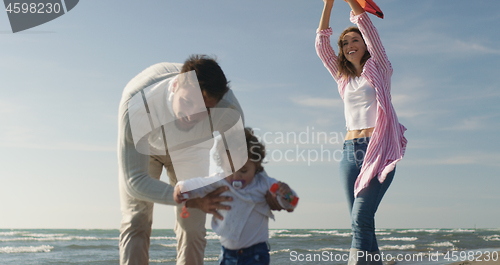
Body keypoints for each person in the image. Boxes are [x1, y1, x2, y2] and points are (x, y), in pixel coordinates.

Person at [118, 55, 247, 265]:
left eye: (205, 110)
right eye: (187, 102)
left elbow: (236, 164)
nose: (191, 115)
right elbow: (135, 182)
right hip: (147, 150)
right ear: (175, 85)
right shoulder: (137, 104)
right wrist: (191, 198)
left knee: (193, 227)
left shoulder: (229, 111)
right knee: (136, 220)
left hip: (191, 149)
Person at [315, 0, 407, 264]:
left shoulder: (380, 68)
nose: (349, 45)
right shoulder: (343, 78)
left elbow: (368, 27)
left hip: (378, 150)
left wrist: (350, 1)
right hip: (349, 153)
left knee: (360, 218)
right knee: (361, 223)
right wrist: (328, 4)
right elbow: (322, 46)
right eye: (344, 43)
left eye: (355, 40)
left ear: (365, 45)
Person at [173, 128, 297, 265]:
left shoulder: (263, 183)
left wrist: (286, 194)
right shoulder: (220, 180)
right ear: (222, 165)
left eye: (243, 171)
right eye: (230, 170)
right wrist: (181, 187)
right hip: (227, 254)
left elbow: (290, 202)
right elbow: (199, 183)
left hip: (256, 254)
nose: (236, 176)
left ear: (256, 166)